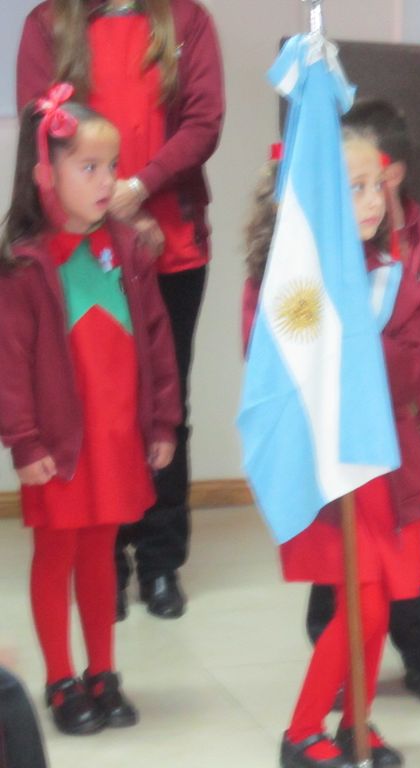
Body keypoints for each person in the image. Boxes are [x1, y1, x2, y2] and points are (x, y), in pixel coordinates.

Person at [18, 0, 225, 620]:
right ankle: (102, 563)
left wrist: (140, 187)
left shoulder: (187, 20)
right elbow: (40, 128)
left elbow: (204, 121)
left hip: (172, 248)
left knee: (164, 405)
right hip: (77, 251)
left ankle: (160, 562)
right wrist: (108, 213)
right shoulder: (46, 23)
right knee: (88, 403)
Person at [242, 130, 420, 768]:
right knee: (362, 602)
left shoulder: (390, 279)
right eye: (355, 188)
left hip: (383, 470)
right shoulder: (285, 284)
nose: (375, 199)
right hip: (329, 474)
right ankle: (302, 731)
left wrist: (363, 348)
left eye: (377, 184)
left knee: (375, 604)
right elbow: (275, 373)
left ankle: (356, 721)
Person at [0, 90, 180, 735]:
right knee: (57, 554)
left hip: (116, 439)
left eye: (112, 167)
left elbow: (157, 340)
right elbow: (10, 364)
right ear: (45, 175)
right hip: (60, 447)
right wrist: (24, 442)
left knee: (102, 553)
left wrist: (162, 422)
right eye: (90, 167)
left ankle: (102, 671)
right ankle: (60, 679)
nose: (108, 181)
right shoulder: (23, 265)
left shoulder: (129, 249)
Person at [303, 99, 420, 705]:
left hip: (416, 432)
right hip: (348, 445)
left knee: (416, 556)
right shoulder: (318, 258)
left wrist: (404, 399)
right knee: (342, 559)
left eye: (370, 180)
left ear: (392, 174)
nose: (366, 196)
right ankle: (335, 663)